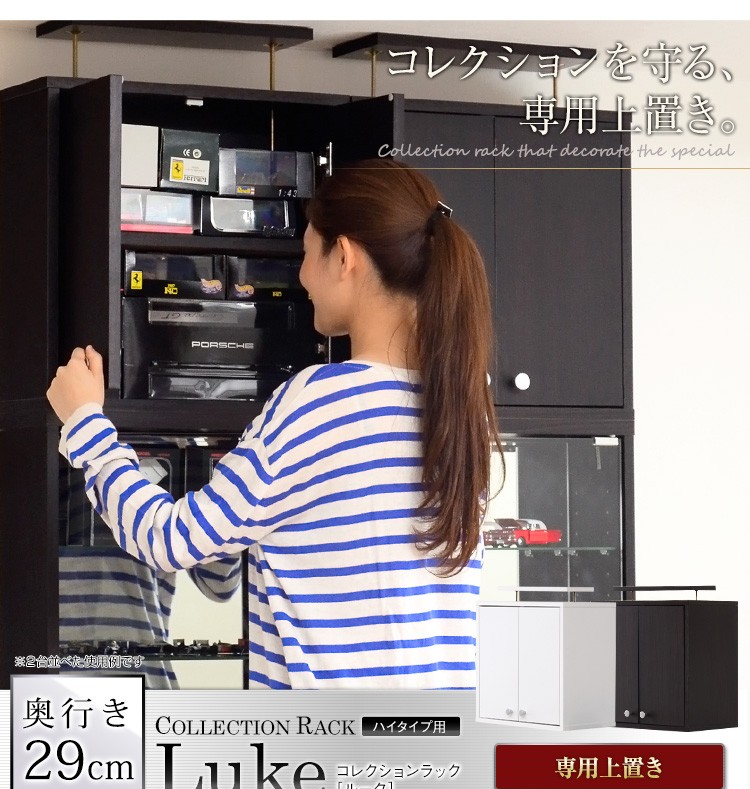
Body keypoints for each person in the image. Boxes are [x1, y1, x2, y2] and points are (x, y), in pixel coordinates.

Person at [47, 159, 502, 689]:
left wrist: (86, 423)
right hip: (440, 732)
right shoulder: (465, 406)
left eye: (306, 254)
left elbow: (170, 540)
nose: (302, 276)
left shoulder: (319, 402)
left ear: (345, 256)